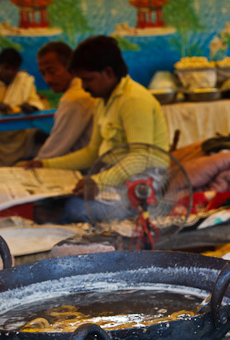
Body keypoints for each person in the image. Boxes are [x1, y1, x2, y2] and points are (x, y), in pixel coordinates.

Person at [26, 35, 168, 223]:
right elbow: (92, 153)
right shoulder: (102, 101)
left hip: (143, 184)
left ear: (108, 72)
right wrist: (46, 165)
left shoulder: (133, 100)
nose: (83, 87)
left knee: (76, 209)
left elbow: (140, 158)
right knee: (49, 200)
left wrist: (100, 182)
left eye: (87, 80)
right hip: (116, 178)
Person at [0, 47, 46, 166]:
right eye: (6, 68)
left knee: (41, 134)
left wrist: (30, 107)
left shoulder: (24, 82)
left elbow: (36, 103)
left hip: (19, 136)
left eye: (14, 69)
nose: (10, 72)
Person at [33, 41, 94, 160]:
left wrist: (35, 163)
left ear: (69, 67)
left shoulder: (74, 98)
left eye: (52, 71)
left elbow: (54, 151)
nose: (48, 79)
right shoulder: (79, 91)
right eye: (43, 73)